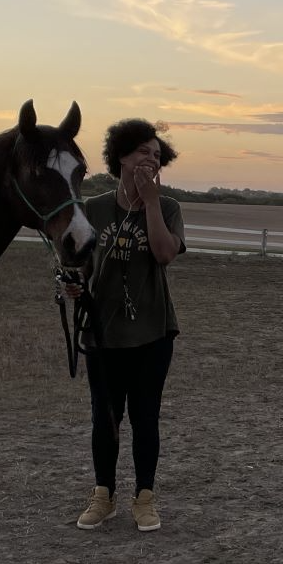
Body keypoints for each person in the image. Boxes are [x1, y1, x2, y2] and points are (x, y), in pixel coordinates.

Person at [65, 118, 186, 533]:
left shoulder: (168, 208)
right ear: (120, 156)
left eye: (156, 155)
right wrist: (71, 287)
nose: (150, 159)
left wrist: (151, 202)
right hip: (102, 334)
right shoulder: (93, 208)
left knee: (145, 418)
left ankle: (145, 498)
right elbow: (77, 266)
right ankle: (104, 496)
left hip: (153, 332)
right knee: (105, 418)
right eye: (142, 152)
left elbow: (165, 254)